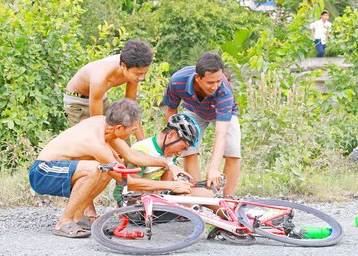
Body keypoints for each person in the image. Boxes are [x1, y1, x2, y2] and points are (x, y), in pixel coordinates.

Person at [29, 99, 189, 238]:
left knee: (110, 169)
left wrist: (169, 164)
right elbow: (129, 182)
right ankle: (64, 222)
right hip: (43, 172)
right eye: (133, 130)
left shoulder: (105, 124)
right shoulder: (96, 143)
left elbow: (131, 155)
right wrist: (171, 186)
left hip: (61, 169)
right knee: (96, 168)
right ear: (119, 128)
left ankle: (78, 217)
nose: (135, 133)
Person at [163, 52, 241, 197]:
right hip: (194, 109)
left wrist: (213, 169)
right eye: (210, 82)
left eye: (218, 81)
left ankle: (228, 202)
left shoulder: (224, 91)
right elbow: (171, 111)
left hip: (222, 114)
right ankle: (195, 197)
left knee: (233, 151)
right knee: (188, 148)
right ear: (198, 78)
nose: (215, 86)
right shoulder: (177, 81)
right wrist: (171, 140)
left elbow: (220, 134)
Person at [64, 39, 153, 140]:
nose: (142, 78)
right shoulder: (100, 78)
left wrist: (143, 143)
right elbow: (96, 124)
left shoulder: (132, 69)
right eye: (138, 74)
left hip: (99, 96)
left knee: (121, 131)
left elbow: (131, 109)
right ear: (123, 66)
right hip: (77, 101)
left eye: (144, 73)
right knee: (91, 140)